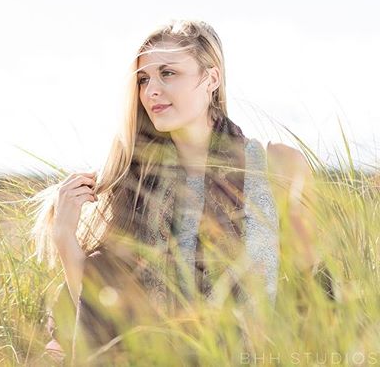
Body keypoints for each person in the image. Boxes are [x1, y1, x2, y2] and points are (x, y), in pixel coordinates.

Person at [29, 19, 333, 366]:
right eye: (143, 79)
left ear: (211, 79)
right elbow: (104, 320)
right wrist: (65, 237)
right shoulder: (137, 187)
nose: (151, 90)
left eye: (168, 73)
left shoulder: (278, 166)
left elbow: (315, 291)